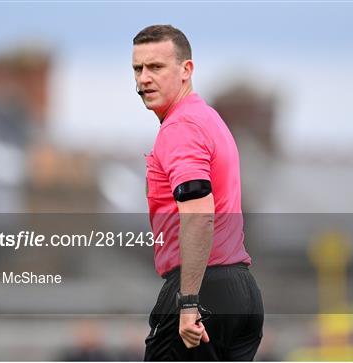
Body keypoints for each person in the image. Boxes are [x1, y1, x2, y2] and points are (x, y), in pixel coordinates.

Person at [133, 24, 264, 361]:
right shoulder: (208, 118)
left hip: (204, 290)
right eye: (138, 68)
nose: (144, 78)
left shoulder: (181, 127)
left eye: (156, 67)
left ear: (186, 70)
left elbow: (199, 213)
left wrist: (188, 302)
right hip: (242, 290)